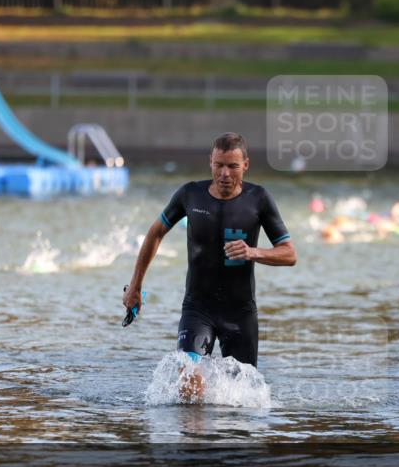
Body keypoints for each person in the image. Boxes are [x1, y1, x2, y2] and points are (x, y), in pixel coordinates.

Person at [123, 133, 296, 402]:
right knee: (189, 386)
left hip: (240, 314)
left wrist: (253, 252)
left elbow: (289, 254)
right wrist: (135, 286)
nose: (225, 173)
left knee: (241, 402)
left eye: (233, 166)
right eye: (219, 165)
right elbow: (155, 232)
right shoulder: (190, 194)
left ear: (245, 165)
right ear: (210, 162)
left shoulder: (259, 199)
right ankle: (195, 441)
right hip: (197, 309)